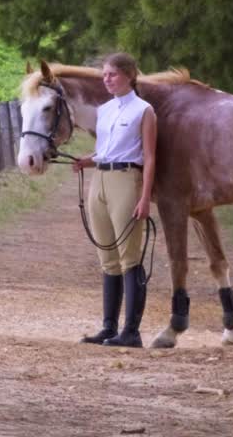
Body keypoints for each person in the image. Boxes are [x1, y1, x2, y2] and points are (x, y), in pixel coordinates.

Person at [73, 52, 157, 347]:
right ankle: (109, 327)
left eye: (112, 74)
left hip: (126, 180)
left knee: (129, 256)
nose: (106, 79)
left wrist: (145, 197)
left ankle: (131, 332)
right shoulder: (105, 110)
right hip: (100, 181)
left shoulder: (144, 110)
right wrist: (88, 160)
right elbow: (105, 148)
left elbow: (149, 156)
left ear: (130, 76)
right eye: (104, 75)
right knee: (107, 256)